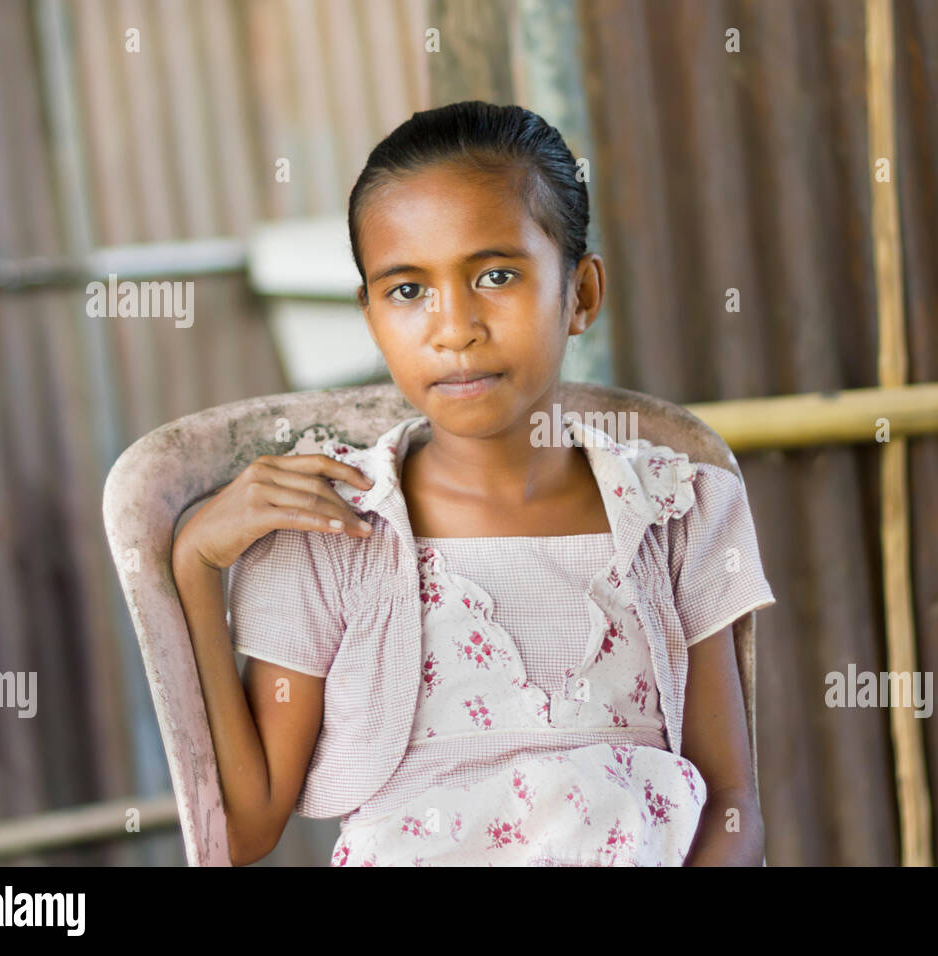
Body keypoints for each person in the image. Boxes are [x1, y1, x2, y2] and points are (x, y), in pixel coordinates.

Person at [172, 101, 776, 866]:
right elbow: (242, 831)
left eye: (495, 275)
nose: (453, 327)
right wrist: (194, 567)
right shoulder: (329, 530)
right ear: (371, 318)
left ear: (581, 294)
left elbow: (730, 802)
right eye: (407, 291)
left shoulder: (676, 513)